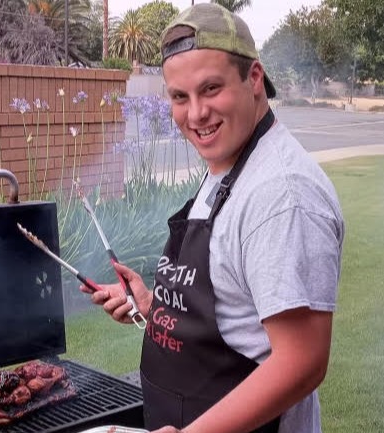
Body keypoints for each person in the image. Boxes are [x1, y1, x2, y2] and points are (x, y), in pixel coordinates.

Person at [81, 4, 345, 433]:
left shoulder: (281, 195)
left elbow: (302, 361)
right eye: (179, 97)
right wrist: (152, 306)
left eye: (211, 89)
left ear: (253, 78)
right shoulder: (228, 165)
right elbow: (230, 310)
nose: (196, 114)